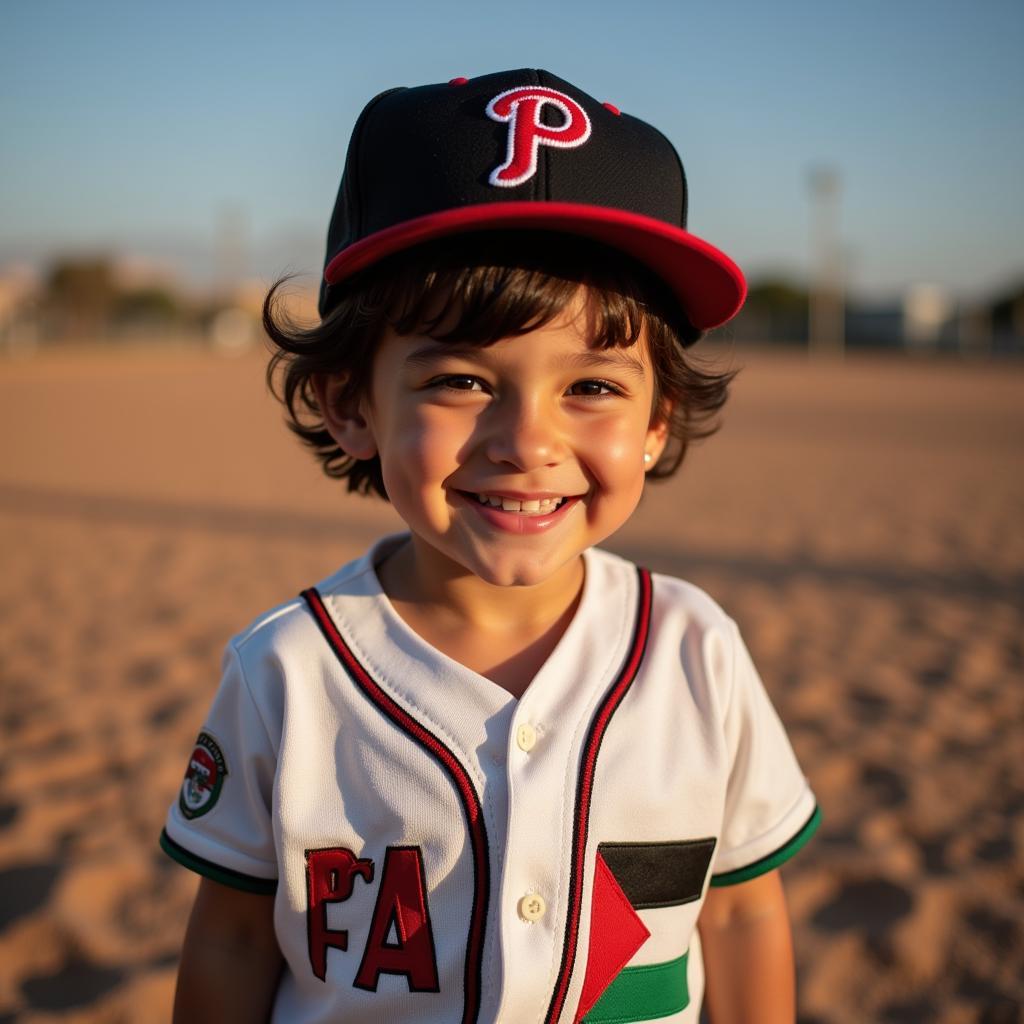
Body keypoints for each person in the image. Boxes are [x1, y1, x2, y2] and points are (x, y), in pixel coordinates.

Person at [160, 68, 819, 1024]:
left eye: (592, 387)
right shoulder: (287, 671)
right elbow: (228, 937)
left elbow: (746, 914)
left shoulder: (695, 649)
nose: (528, 442)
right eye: (463, 380)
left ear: (657, 421)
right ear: (349, 403)